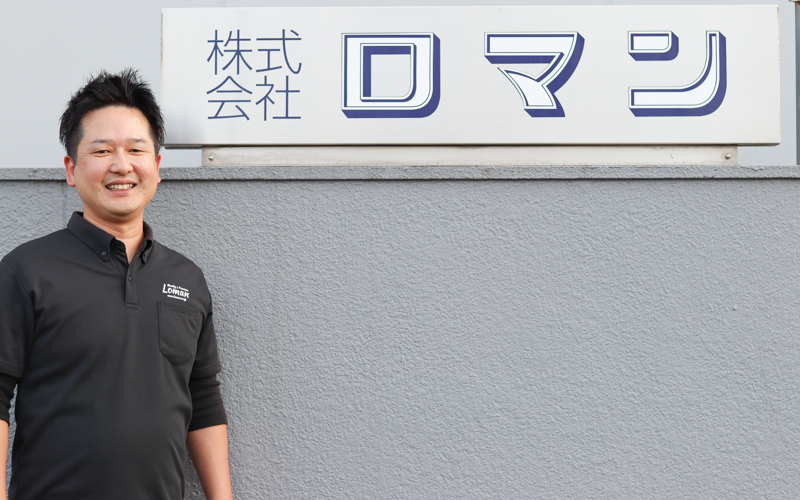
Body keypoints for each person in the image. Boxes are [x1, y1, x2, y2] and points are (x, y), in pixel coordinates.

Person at [0, 69, 233, 500]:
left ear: (156, 168)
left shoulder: (186, 279)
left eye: (136, 149)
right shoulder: (25, 271)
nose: (121, 165)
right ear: (71, 169)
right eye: (102, 150)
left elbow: (202, 398)